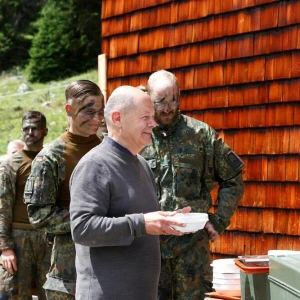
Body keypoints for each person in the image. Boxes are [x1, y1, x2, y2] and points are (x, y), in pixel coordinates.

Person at [69, 85, 191, 300]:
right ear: (117, 118)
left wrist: (166, 222)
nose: (153, 123)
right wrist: (141, 223)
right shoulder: (95, 165)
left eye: (153, 117)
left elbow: (141, 223)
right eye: (145, 117)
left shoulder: (141, 163)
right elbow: (82, 228)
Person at [140, 70, 245, 299]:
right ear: (148, 98)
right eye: (161, 102)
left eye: (174, 99)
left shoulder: (200, 135)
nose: (168, 108)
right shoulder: (138, 135)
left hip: (192, 252)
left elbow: (233, 178)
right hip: (149, 249)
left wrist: (219, 220)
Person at [24, 80, 104, 299]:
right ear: (69, 109)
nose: (96, 119)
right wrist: (91, 221)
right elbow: (39, 215)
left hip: (111, 266)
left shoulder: (109, 147)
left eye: (100, 111)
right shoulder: (51, 157)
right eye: (88, 112)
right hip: (71, 270)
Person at [0, 111, 49, 299]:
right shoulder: (12, 163)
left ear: (44, 131)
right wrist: (5, 248)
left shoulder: (52, 159)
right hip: (20, 239)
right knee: (17, 294)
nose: (30, 132)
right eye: (26, 128)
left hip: (47, 236)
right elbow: (3, 205)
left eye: (35, 128)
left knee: (52, 291)